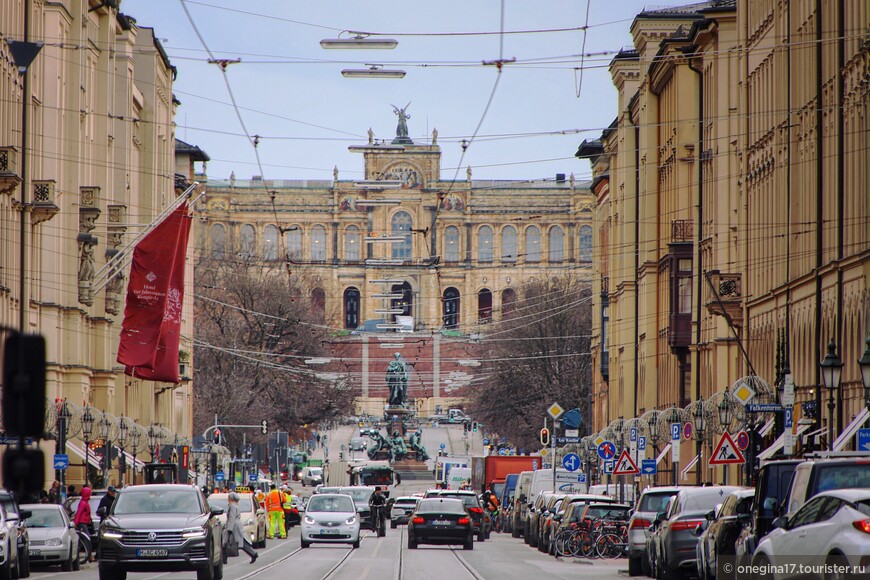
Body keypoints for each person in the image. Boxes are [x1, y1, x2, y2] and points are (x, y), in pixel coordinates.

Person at [224, 493, 258, 564]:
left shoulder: (232, 506)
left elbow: (232, 517)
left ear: (231, 498)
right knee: (236, 542)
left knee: (227, 542)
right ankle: (224, 558)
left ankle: (253, 553)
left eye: (228, 497)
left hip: (234, 526)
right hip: (236, 525)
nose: (228, 499)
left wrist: (229, 529)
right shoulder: (235, 505)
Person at [74, 486, 96, 562]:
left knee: (82, 540)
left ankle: (82, 555)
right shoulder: (83, 503)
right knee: (87, 539)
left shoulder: (85, 502)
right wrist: (76, 523)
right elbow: (78, 513)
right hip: (82, 523)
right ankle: (89, 556)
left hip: (84, 523)